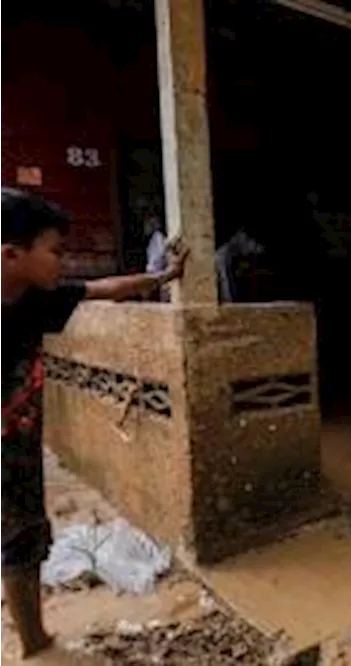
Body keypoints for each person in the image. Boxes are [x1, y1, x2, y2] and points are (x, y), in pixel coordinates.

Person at [0, 188, 188, 660]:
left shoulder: (32, 301)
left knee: (23, 542)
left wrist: (163, 275)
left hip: (17, 453)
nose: (64, 262)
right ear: (11, 254)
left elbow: (104, 288)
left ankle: (34, 641)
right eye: (56, 251)